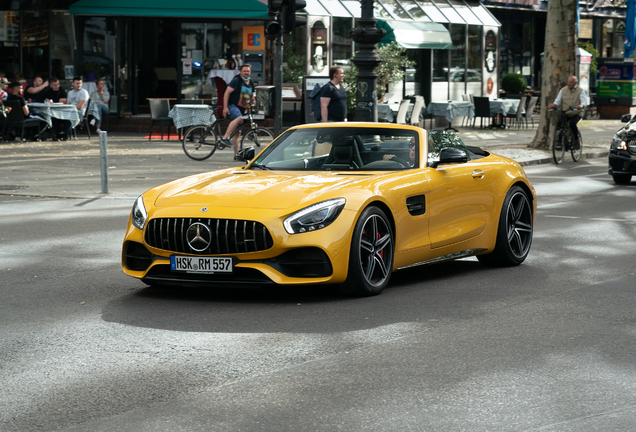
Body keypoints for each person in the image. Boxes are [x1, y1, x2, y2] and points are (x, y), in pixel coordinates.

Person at [221, 64, 256, 158]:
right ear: (240, 72)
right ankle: (225, 137)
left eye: (248, 71)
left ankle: (236, 155)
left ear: (250, 72)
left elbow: (252, 96)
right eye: (244, 71)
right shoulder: (236, 81)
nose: (246, 73)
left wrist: (253, 103)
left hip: (241, 109)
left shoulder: (251, 83)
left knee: (237, 133)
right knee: (239, 118)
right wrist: (225, 107)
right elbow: (226, 93)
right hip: (232, 106)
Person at [548, 75, 588, 149]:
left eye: (571, 82)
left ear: (575, 83)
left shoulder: (580, 91)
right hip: (566, 112)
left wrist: (581, 106)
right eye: (568, 82)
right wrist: (554, 105)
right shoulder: (563, 90)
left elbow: (584, 102)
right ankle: (559, 142)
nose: (568, 83)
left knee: (572, 123)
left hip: (577, 112)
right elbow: (558, 100)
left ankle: (576, 141)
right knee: (560, 124)